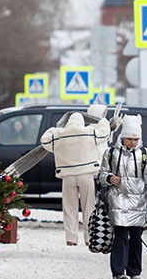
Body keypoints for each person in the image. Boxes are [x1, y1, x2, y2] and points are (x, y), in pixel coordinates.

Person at [98, 114, 147, 279]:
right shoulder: (111, 153)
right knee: (120, 235)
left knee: (136, 237)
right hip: (117, 199)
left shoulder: (144, 154)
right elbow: (101, 174)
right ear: (123, 137)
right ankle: (118, 272)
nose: (132, 142)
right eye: (129, 138)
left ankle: (134, 271)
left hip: (139, 202)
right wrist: (109, 178)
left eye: (136, 139)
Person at [39, 105, 110, 246]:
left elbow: (45, 140)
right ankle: (89, 237)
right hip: (86, 175)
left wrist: (55, 129)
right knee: (88, 206)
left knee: (69, 208)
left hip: (67, 176)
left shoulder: (59, 135)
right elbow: (104, 133)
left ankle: (71, 238)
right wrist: (102, 120)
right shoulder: (88, 132)